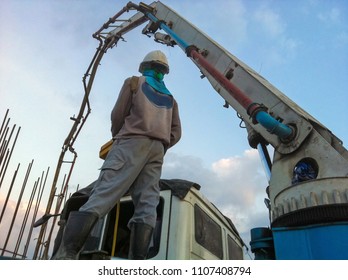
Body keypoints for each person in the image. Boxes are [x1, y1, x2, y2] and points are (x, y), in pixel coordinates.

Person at [53, 50, 181, 260]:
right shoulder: (170, 98)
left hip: (131, 142)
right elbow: (176, 131)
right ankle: (137, 263)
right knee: (147, 203)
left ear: (145, 66)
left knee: (104, 192)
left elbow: (118, 115)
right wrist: (162, 144)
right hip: (158, 150)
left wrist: (120, 138)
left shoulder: (133, 83)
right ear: (163, 71)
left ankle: (66, 255)